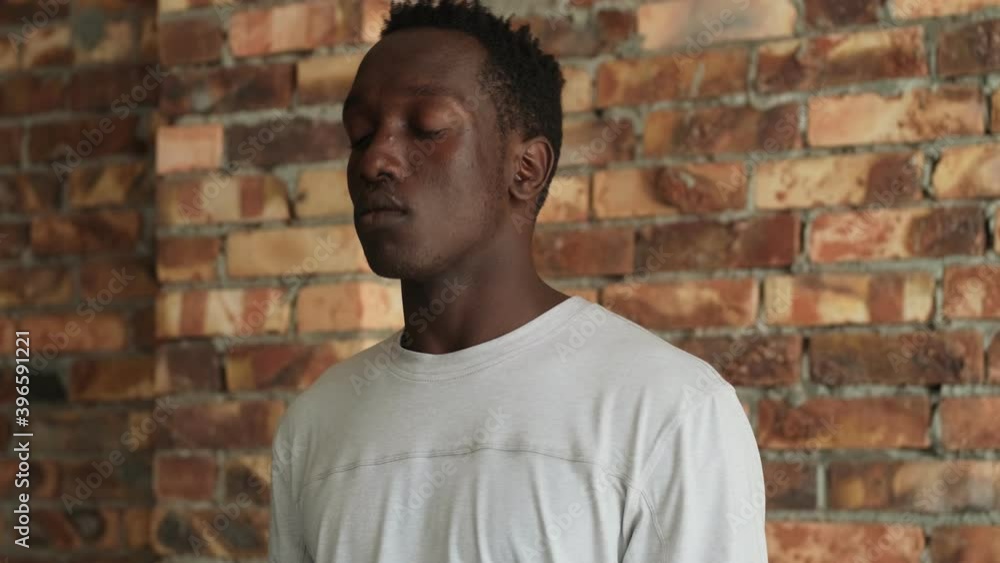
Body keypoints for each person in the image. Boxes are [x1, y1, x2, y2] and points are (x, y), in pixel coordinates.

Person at [268, 1, 768, 561]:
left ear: (526, 169)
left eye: (427, 128)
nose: (375, 160)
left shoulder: (666, 412)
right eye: (361, 134)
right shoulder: (317, 423)